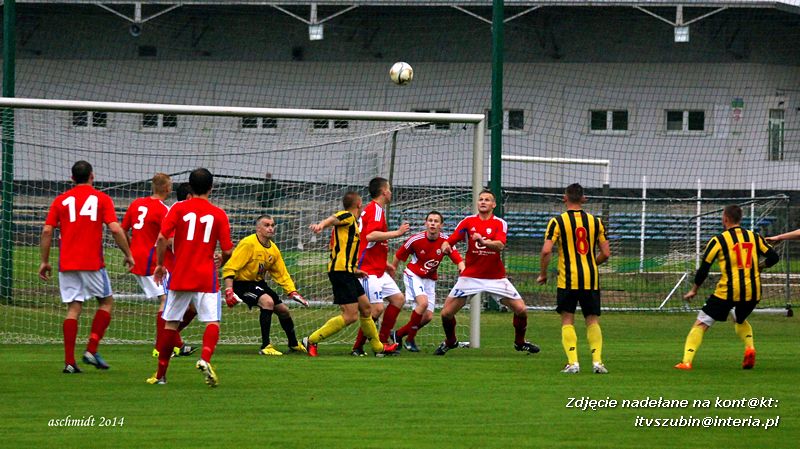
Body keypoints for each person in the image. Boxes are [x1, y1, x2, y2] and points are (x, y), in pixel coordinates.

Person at [39, 160, 135, 373]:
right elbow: (115, 229)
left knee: (73, 308)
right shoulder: (102, 199)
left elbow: (47, 231)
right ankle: (91, 348)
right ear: (92, 176)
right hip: (92, 262)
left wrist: (44, 261)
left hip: (67, 263)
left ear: (72, 178)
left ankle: (69, 362)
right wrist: (128, 254)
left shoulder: (60, 200)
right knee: (106, 302)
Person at [147, 168, 234, 386]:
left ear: (190, 186)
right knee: (212, 321)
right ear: (211, 188)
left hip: (181, 274)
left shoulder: (178, 208)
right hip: (206, 276)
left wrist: (160, 265)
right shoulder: (218, 214)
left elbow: (162, 238)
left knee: (170, 323)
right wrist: (221, 260)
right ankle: (205, 358)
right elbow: (227, 250)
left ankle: (160, 375)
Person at [434, 189, 540, 356]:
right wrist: (445, 246)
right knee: (446, 314)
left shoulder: (499, 223)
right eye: (481, 199)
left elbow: (500, 245)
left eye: (487, 200)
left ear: (494, 204)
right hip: (470, 276)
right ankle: (450, 341)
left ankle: (520, 343)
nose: (483, 202)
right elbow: (451, 240)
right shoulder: (468, 222)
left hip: (495, 277)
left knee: (521, 310)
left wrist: (483, 241)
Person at [675, 205, 779, 371]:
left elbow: (704, 268)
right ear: (740, 219)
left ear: (725, 219)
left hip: (727, 292)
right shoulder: (754, 237)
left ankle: (686, 362)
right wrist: (761, 266)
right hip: (752, 291)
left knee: (701, 323)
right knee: (739, 319)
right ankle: (750, 348)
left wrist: (694, 289)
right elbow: (774, 257)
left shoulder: (718, 241)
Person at [302, 191, 399, 357]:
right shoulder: (347, 216)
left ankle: (378, 348)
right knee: (350, 316)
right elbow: (334, 218)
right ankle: (311, 340)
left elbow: (345, 251)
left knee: (367, 309)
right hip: (340, 273)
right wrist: (321, 225)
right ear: (359, 204)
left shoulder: (353, 224)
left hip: (348, 272)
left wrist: (355, 270)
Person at [537, 183, 611, 374]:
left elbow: (546, 251)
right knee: (592, 319)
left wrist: (543, 274)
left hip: (567, 279)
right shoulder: (596, 222)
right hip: (590, 279)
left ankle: (573, 363)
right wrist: (591, 263)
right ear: (583, 199)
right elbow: (606, 253)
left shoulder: (557, 222)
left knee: (567, 319)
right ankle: (597, 362)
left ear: (565, 198)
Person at [122, 175, 197, 359]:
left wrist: (129, 252)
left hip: (139, 259)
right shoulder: (164, 210)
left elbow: (122, 229)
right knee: (166, 301)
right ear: (167, 188)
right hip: (153, 261)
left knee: (180, 303)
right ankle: (161, 347)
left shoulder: (136, 204)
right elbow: (169, 240)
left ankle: (175, 343)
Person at [222, 214, 309, 355]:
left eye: (272, 225)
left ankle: (293, 344)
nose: (270, 228)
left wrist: (292, 292)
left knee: (284, 310)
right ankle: (265, 346)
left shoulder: (273, 249)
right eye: (266, 225)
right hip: (241, 284)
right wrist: (229, 290)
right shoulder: (248, 244)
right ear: (258, 228)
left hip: (258, 283)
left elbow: (281, 274)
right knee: (267, 302)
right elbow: (230, 267)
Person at [388, 211, 464, 352]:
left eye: (436, 221)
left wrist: (462, 269)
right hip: (413, 274)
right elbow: (398, 256)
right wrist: (392, 272)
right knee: (423, 303)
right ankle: (410, 340)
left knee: (428, 316)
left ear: (441, 225)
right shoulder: (415, 239)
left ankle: (398, 334)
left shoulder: (446, 242)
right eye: (430, 220)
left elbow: (458, 259)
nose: (432, 223)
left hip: (429, 278)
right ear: (425, 223)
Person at [350, 177, 410, 356]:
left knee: (398, 299)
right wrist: (397, 233)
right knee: (376, 309)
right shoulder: (376, 209)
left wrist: (385, 264)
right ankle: (357, 347)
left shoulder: (375, 210)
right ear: (384, 191)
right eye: (389, 189)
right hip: (368, 271)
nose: (391, 192)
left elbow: (368, 243)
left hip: (378, 268)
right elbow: (370, 236)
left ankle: (383, 340)